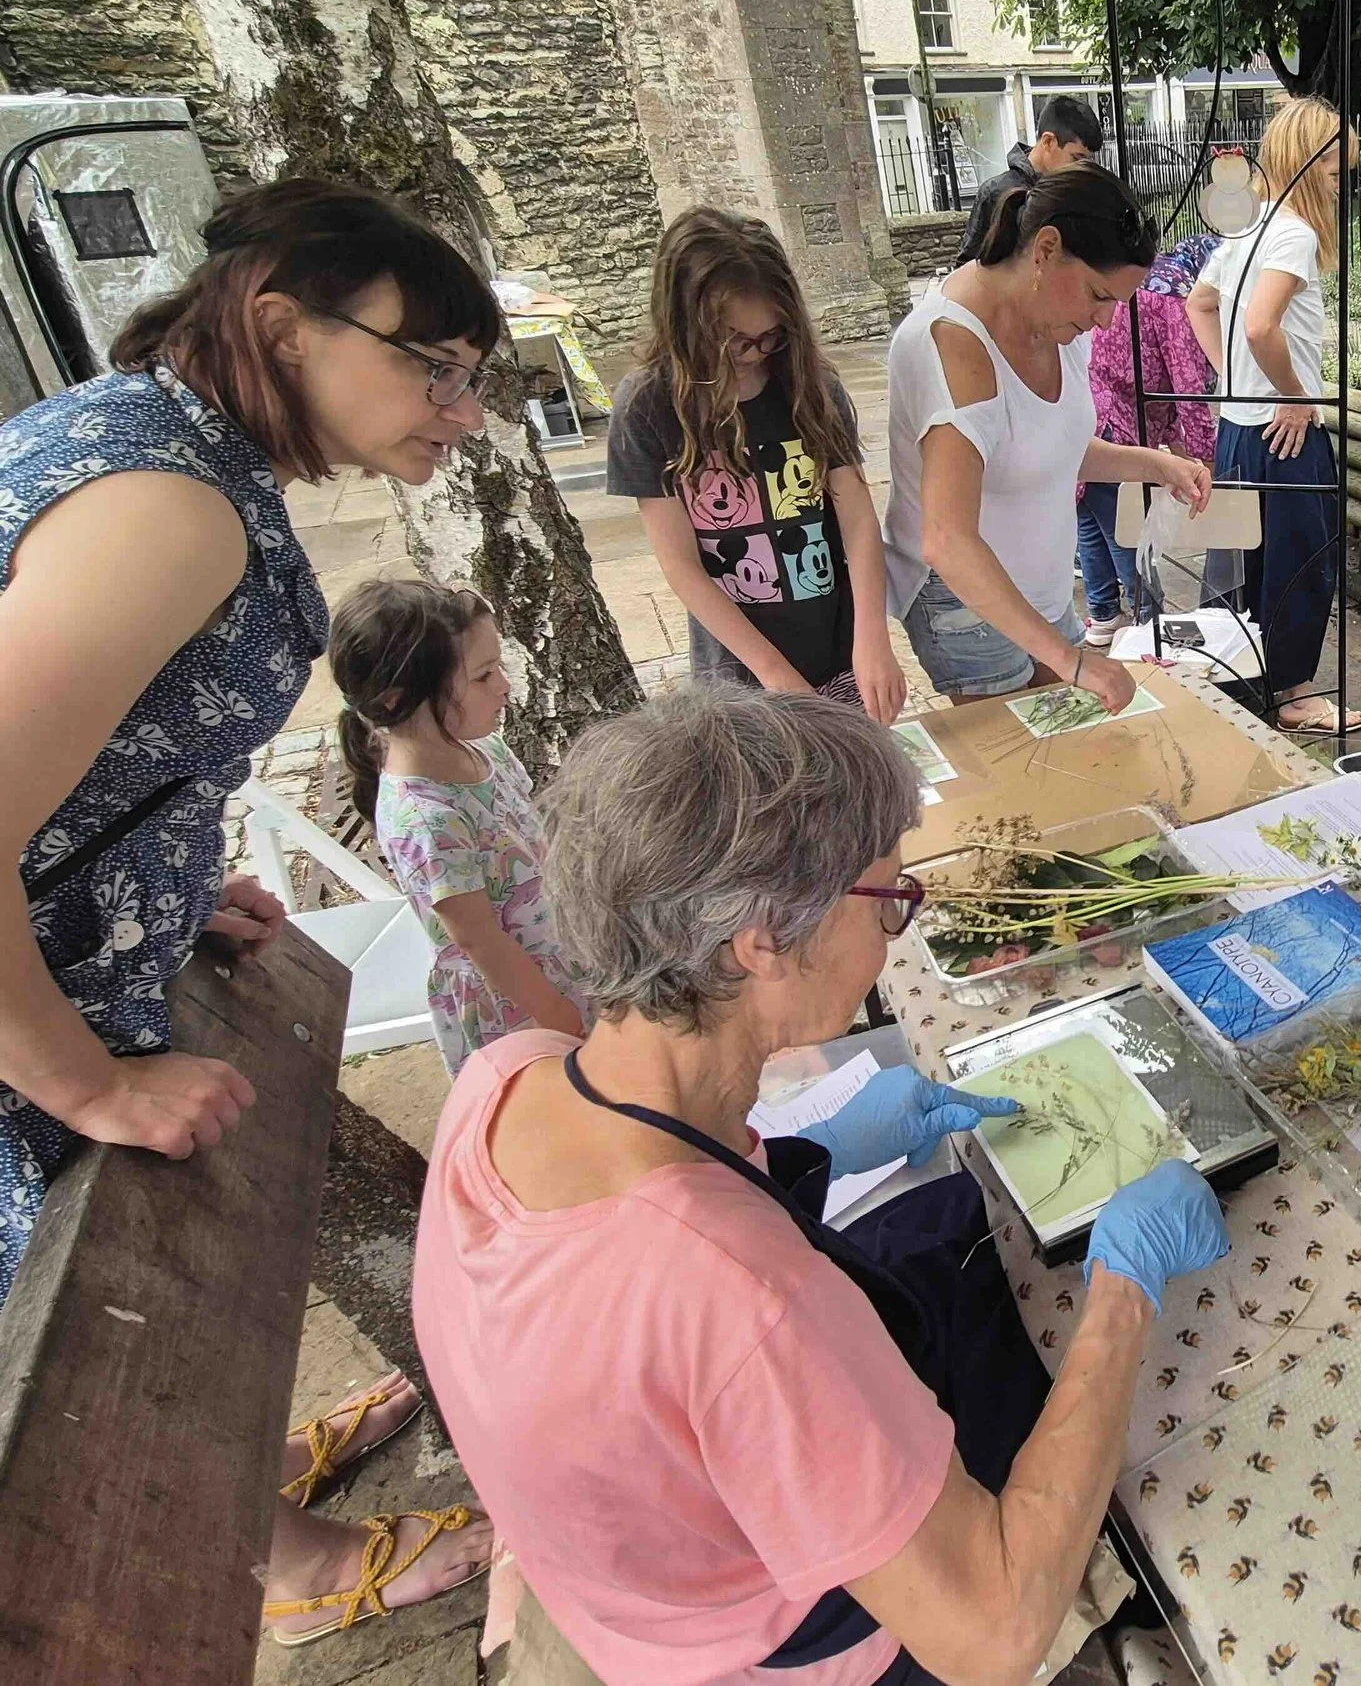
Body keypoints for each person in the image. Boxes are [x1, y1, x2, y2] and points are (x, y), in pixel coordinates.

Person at [413, 685, 1232, 1686]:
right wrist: (1123, 1292)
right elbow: (994, 1632)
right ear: (760, 941)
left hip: (636, 1562)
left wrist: (817, 1153)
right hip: (777, 1643)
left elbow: (627, 1286)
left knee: (958, 1230)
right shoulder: (742, 1302)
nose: (898, 932)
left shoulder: (508, 1075)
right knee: (1120, 1391)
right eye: (888, 900)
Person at [0, 179, 493, 1640]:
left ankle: (248, 1494)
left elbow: (87, 754)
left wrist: (152, 877)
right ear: (281, 325)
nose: (459, 409)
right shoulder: (169, 500)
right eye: (431, 365)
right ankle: (278, 1564)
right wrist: (84, 1077)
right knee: (82, 1357)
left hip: (74, 948)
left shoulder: (163, 445)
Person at [884, 164, 1211, 709]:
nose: (1105, 322)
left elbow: (1050, 449)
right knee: (1021, 772)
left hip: (1045, 590)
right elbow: (947, 540)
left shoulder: (1059, 323)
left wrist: (1158, 466)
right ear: (1045, 250)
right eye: (1098, 296)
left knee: (1071, 748)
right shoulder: (950, 345)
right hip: (965, 602)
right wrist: (1074, 661)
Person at [608, 208, 906, 722]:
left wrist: (873, 638)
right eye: (733, 341)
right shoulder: (648, 405)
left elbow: (858, 518)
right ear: (684, 322)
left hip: (838, 650)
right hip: (739, 672)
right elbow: (681, 565)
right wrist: (775, 674)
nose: (753, 354)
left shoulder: (813, 386)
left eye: (772, 337)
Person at [333, 579, 590, 1073]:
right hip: (522, 1006)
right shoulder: (426, 820)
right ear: (396, 699)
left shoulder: (487, 751)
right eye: (483, 675)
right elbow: (482, 942)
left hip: (562, 962)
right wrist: (561, 1016)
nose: (505, 685)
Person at [1187, 97, 1361, 736]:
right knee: (1300, 561)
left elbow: (1198, 305)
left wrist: (1235, 379)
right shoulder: (1292, 231)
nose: (1344, 184)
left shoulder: (1247, 228)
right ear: (1310, 162)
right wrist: (1294, 395)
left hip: (1238, 430)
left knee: (1238, 561)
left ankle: (1231, 679)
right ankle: (1294, 695)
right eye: (1337, 171)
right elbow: (1262, 325)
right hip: (1284, 432)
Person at [1079, 229, 1220, 645]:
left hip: (1087, 412)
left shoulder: (1141, 283)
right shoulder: (1177, 302)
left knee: (1091, 519)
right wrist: (1204, 459)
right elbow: (1187, 389)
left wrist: (1178, 447)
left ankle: (1104, 614)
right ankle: (1148, 621)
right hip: (1118, 426)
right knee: (1128, 528)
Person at [951, 94, 1104, 271]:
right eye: (1076, 158)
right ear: (1048, 141)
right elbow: (967, 268)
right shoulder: (996, 192)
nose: (1081, 167)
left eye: (1087, 161)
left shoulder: (1077, 193)